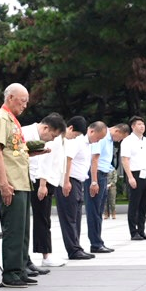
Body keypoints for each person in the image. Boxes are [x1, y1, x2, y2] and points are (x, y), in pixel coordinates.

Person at [0, 84, 36, 287]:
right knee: (13, 229)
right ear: (10, 98)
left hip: (20, 180)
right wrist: (4, 184)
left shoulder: (12, 120)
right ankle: (10, 273)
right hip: (11, 183)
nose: (25, 105)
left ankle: (21, 267)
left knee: (23, 229)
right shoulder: (1, 118)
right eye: (22, 100)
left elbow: (13, 150)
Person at [56, 117, 96, 261]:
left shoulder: (78, 141)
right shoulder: (74, 142)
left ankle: (76, 247)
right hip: (69, 181)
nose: (77, 137)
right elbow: (68, 159)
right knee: (69, 217)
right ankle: (73, 249)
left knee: (76, 216)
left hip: (77, 182)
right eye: (77, 134)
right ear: (71, 128)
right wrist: (66, 181)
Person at [29, 114, 63, 269]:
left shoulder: (47, 138)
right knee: (41, 218)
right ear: (46, 128)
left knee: (44, 218)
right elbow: (43, 161)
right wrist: (43, 184)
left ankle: (45, 253)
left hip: (44, 180)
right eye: (53, 135)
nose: (53, 139)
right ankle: (45, 254)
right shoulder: (26, 132)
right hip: (36, 180)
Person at [121, 117, 146, 241]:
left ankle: (141, 230)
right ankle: (133, 232)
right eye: (139, 124)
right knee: (134, 205)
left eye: (143, 124)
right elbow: (125, 160)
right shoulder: (127, 141)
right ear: (133, 126)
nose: (142, 126)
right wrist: (130, 177)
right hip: (135, 175)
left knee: (144, 205)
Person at [86, 120, 115, 254]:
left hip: (102, 175)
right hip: (95, 175)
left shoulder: (105, 138)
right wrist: (94, 181)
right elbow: (94, 159)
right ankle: (95, 243)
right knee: (94, 211)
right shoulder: (101, 138)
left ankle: (98, 241)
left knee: (98, 211)